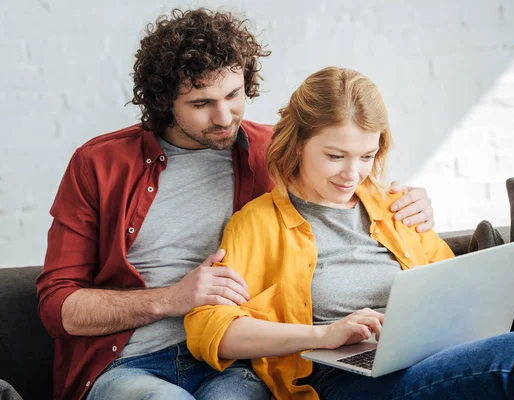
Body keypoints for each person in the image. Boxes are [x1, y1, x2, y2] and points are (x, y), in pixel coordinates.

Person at [35, 8, 436, 400]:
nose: (224, 117)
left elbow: (352, 173)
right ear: (164, 102)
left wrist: (414, 205)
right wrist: (170, 299)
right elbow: (59, 306)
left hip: (237, 365)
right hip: (130, 362)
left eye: (234, 94)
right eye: (200, 103)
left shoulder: (274, 151)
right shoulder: (100, 164)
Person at [184, 66, 514, 400]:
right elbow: (211, 330)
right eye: (335, 156)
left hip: (430, 360)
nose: (353, 173)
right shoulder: (257, 224)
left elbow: (453, 284)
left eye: (366, 156)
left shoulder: (394, 207)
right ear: (297, 144)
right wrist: (324, 335)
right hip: (342, 382)